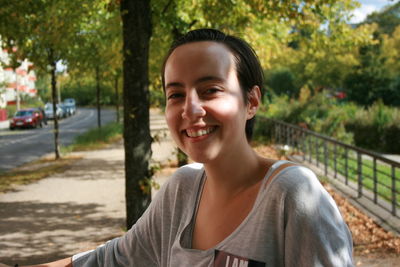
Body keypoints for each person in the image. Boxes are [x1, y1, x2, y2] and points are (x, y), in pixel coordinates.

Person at [2, 28, 354, 267]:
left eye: (210, 89)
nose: (190, 108)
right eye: (176, 94)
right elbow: (113, 259)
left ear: (252, 101)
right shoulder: (183, 188)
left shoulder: (293, 195)